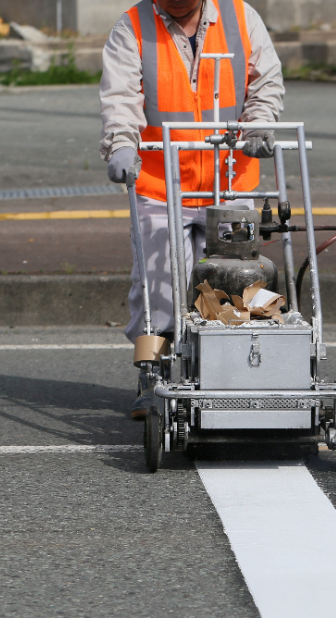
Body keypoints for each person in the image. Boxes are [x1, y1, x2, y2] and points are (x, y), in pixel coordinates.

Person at [100, 0, 284, 419]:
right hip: (161, 183)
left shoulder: (241, 17)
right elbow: (121, 96)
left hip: (231, 176)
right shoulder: (132, 26)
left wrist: (259, 123)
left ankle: (240, 373)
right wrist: (122, 143)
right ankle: (155, 373)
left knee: (240, 281)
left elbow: (265, 80)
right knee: (159, 284)